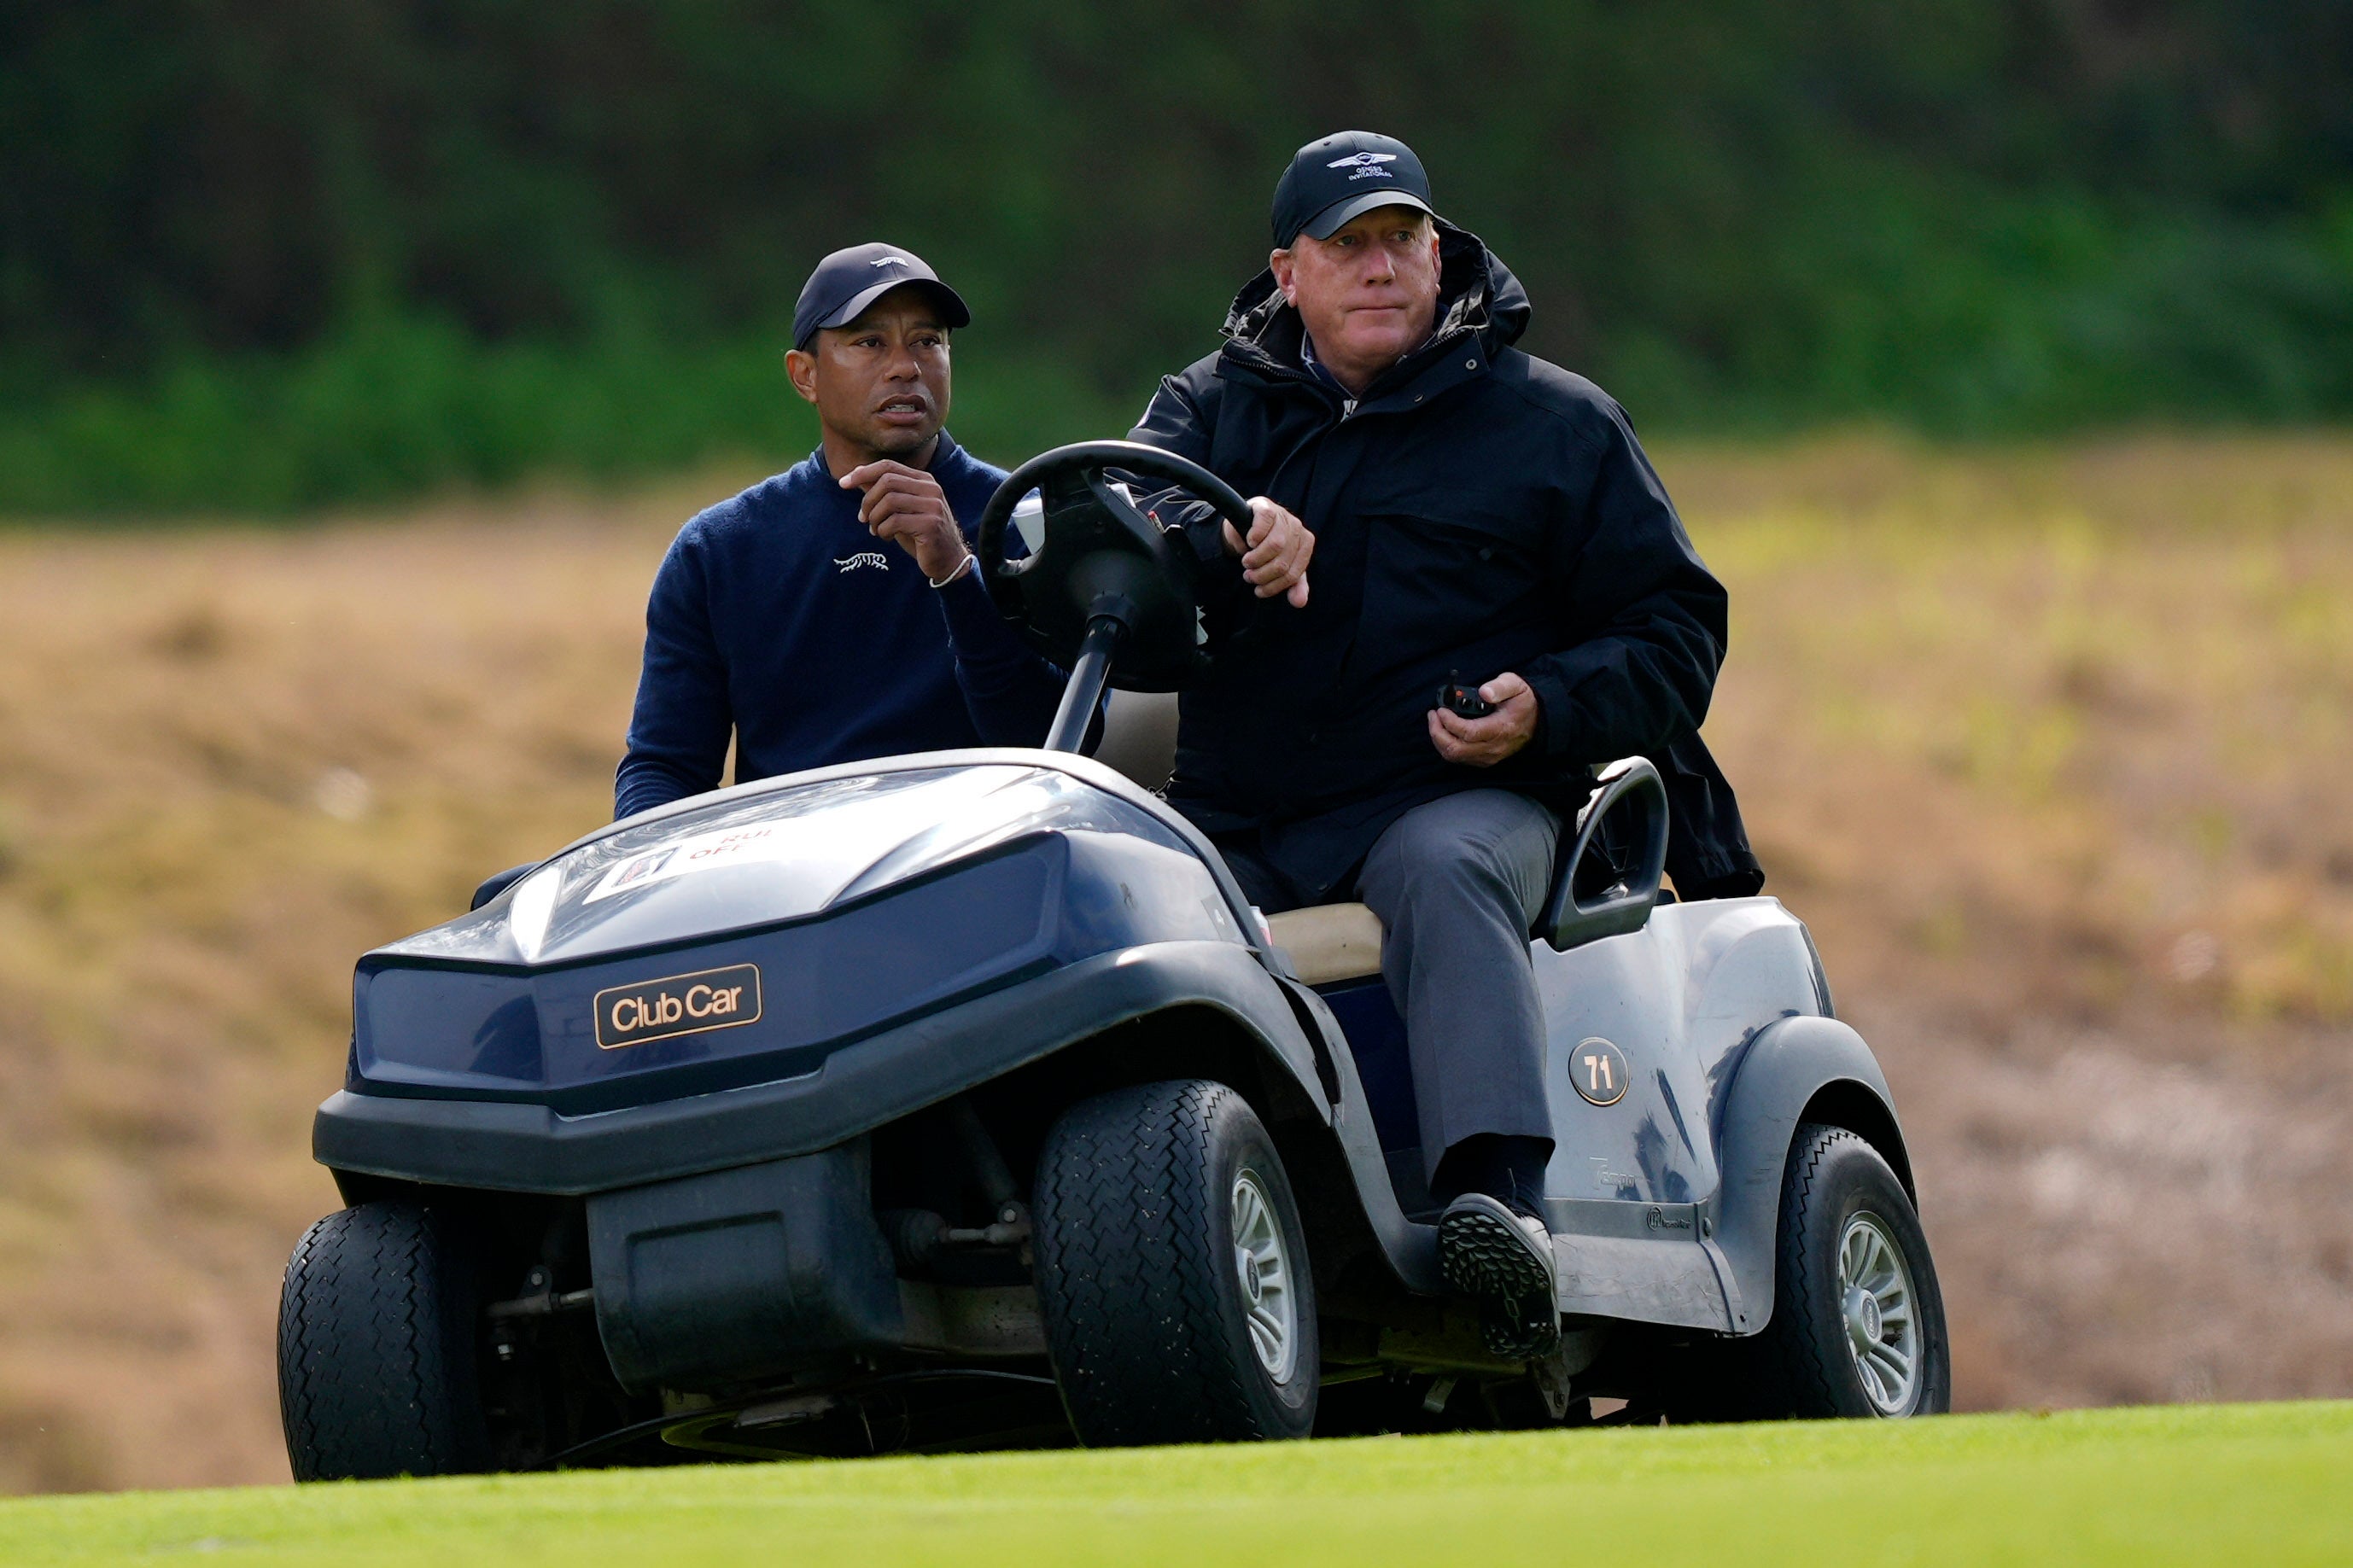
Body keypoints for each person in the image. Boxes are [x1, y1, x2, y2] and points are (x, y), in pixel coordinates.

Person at [1130, 131, 1762, 1357]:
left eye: (1400, 241)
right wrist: (1223, 537)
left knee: (1439, 867)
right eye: (1347, 246)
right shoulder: (1201, 410)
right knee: (1121, 907)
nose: (1380, 269)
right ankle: (1159, 1224)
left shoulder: (1557, 425)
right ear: (1288, 272)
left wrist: (1548, 704)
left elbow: (1678, 625)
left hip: (1465, 798)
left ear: (1437, 253)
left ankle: (1496, 1206)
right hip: (1244, 818)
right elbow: (1118, 534)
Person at [615, 242, 1077, 819]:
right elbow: (667, 766)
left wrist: (957, 574)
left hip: (977, 863)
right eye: (869, 342)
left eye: (928, 341)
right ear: (804, 375)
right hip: (788, 879)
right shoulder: (720, 550)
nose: (906, 365)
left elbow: (1063, 750)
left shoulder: (1031, 523)